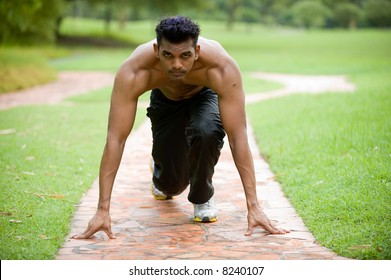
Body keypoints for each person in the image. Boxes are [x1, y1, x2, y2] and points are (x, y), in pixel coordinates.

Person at [73, 16, 289, 239]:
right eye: (168, 55)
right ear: (156, 50)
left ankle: (202, 196)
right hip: (165, 100)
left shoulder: (220, 67)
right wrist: (102, 210)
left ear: (197, 51)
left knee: (207, 131)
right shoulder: (135, 71)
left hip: (203, 95)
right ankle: (160, 170)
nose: (177, 64)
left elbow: (238, 137)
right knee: (171, 186)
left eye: (185, 55)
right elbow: (115, 139)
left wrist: (254, 206)